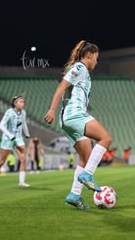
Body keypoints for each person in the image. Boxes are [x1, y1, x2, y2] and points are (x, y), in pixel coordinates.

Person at [44, 40, 112, 210]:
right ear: (89, 55)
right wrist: (52, 109)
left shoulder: (81, 70)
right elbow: (61, 87)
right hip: (75, 115)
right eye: (96, 58)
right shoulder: (80, 68)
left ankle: (74, 195)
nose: (96, 62)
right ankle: (87, 175)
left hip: (67, 119)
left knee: (85, 158)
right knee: (106, 138)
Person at [0, 95, 31, 187]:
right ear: (15, 103)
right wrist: (10, 135)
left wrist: (27, 133)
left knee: (23, 158)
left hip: (18, 138)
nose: (22, 104)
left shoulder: (23, 112)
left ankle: (21, 182)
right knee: (2, 161)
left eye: (23, 102)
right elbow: (1, 125)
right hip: (8, 138)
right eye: (20, 102)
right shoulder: (9, 112)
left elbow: (24, 123)